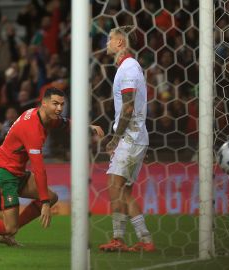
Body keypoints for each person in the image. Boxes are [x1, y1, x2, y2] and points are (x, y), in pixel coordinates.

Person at [0, 87, 104, 246]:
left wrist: (88, 127)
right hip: (2, 174)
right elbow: (39, 168)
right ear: (44, 103)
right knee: (12, 225)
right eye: (55, 104)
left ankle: (7, 233)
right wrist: (44, 203)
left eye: (62, 104)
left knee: (51, 198)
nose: (59, 108)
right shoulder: (32, 129)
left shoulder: (43, 116)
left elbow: (65, 123)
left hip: (15, 172)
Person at [98, 26, 155, 252]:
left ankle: (118, 238)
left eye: (109, 39)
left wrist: (115, 138)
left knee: (114, 184)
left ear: (120, 42)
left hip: (130, 137)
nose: (106, 43)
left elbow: (129, 107)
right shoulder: (126, 67)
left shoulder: (129, 68)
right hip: (134, 137)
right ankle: (146, 240)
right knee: (123, 190)